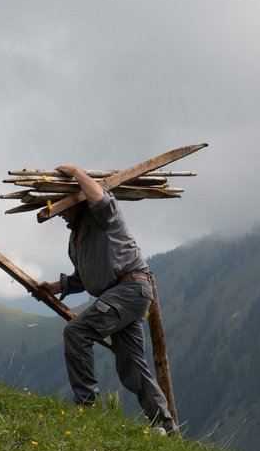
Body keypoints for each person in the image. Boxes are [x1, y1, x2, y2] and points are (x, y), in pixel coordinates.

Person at [36, 164, 177, 434]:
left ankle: (86, 409)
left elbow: (99, 196)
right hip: (123, 295)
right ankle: (166, 427)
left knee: (76, 332)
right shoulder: (75, 237)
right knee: (132, 366)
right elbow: (87, 276)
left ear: (75, 201)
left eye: (63, 208)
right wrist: (56, 286)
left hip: (130, 289)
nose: (62, 216)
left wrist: (76, 172)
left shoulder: (101, 214)